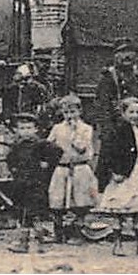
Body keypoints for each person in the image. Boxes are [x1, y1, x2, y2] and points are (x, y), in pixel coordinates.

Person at [98, 96, 138, 255]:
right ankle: (118, 244)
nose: (135, 115)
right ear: (123, 113)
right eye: (131, 112)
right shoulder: (118, 130)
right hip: (125, 173)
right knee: (121, 209)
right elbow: (111, 152)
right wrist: (115, 172)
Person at [5, 113, 60, 254]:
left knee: (37, 214)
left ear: (36, 129)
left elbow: (57, 151)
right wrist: (14, 170)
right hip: (21, 185)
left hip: (36, 184)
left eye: (29, 128)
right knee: (22, 214)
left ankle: (42, 243)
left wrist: (47, 164)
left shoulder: (42, 144)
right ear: (17, 130)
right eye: (22, 128)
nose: (26, 131)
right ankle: (23, 243)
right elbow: (10, 160)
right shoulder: (16, 146)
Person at [46, 94, 98, 242]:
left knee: (80, 201)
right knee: (58, 200)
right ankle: (59, 233)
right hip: (62, 168)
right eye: (66, 112)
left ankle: (77, 233)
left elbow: (81, 147)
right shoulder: (57, 128)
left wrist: (75, 132)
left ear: (79, 111)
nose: (69, 116)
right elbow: (48, 146)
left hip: (80, 168)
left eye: (73, 112)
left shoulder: (86, 129)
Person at [95, 40, 138, 126]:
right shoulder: (108, 78)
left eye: (130, 52)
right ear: (115, 56)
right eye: (122, 52)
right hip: (117, 124)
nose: (126, 56)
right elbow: (103, 106)